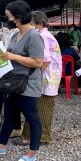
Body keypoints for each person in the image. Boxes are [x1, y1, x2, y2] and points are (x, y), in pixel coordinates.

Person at [0, 0, 44, 161]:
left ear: (18, 17)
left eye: (9, 16)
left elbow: (38, 62)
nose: (8, 19)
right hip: (13, 82)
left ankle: (33, 151)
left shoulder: (34, 36)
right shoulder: (16, 34)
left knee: (32, 118)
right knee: (9, 115)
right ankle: (1, 145)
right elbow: (11, 54)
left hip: (28, 84)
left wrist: (14, 57)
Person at [19, 11, 62, 145]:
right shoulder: (44, 34)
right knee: (36, 105)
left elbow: (45, 60)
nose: (29, 26)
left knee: (41, 106)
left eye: (31, 23)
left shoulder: (41, 36)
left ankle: (39, 137)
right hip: (49, 76)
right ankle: (29, 135)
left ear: (40, 24)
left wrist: (34, 76)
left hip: (46, 76)